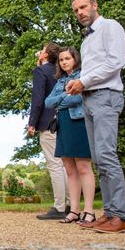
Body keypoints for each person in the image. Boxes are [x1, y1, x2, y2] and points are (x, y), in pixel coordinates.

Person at [66, 0, 125, 234]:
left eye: (83, 7)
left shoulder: (110, 27)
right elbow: (91, 71)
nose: (80, 12)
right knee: (99, 158)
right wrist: (79, 85)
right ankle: (111, 212)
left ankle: (121, 216)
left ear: (95, 5)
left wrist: (84, 81)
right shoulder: (85, 40)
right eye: (76, 10)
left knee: (107, 155)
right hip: (89, 99)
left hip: (106, 96)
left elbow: (115, 62)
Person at [45, 47, 96, 224]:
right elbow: (48, 102)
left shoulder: (83, 77)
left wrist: (63, 98)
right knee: (70, 170)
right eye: (61, 60)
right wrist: (66, 95)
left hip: (79, 122)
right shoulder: (60, 81)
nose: (64, 62)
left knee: (83, 167)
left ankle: (89, 211)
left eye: (67, 58)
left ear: (75, 59)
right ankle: (74, 210)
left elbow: (78, 99)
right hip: (63, 124)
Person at [28, 42, 69, 220]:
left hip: (48, 122)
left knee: (54, 164)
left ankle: (59, 207)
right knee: (65, 165)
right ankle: (69, 204)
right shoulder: (59, 72)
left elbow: (38, 99)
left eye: (42, 50)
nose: (40, 52)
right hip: (63, 121)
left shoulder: (40, 72)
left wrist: (32, 123)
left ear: (45, 55)